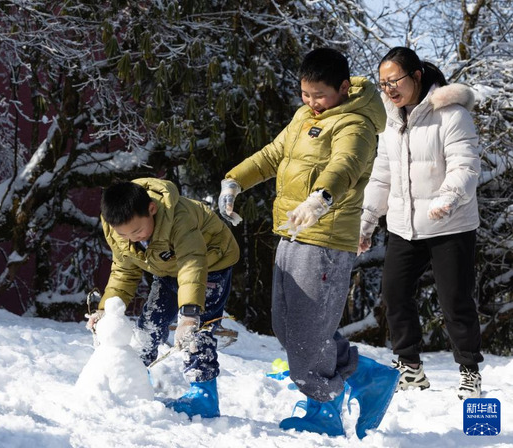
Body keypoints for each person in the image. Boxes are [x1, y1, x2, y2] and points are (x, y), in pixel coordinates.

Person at [219, 47, 399, 439]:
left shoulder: (356, 124)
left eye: (320, 95)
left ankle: (325, 405)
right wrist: (235, 180)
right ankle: (365, 374)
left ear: (344, 87)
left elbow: (345, 166)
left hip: (325, 236)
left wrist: (321, 198)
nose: (312, 103)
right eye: (305, 94)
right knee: (289, 327)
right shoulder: (304, 117)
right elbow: (272, 155)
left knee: (305, 331)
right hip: (292, 229)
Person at [359, 46, 484, 400]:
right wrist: (368, 220)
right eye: (383, 84)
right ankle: (410, 368)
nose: (389, 90)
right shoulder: (390, 119)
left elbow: (465, 166)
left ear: (416, 76)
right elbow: (381, 174)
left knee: (455, 301)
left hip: (451, 224)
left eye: (394, 81)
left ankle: (469, 372)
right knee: (395, 293)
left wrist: (448, 197)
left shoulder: (451, 114)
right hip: (404, 225)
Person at [87, 177, 240, 418]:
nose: (131, 238)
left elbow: (192, 263)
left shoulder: (179, 217)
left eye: (137, 231)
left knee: (198, 330)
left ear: (152, 209)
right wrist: (106, 311)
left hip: (210, 264)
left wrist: (189, 315)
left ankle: (204, 395)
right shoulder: (119, 230)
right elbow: (124, 270)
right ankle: (133, 377)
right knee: (150, 321)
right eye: (124, 234)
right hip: (167, 268)